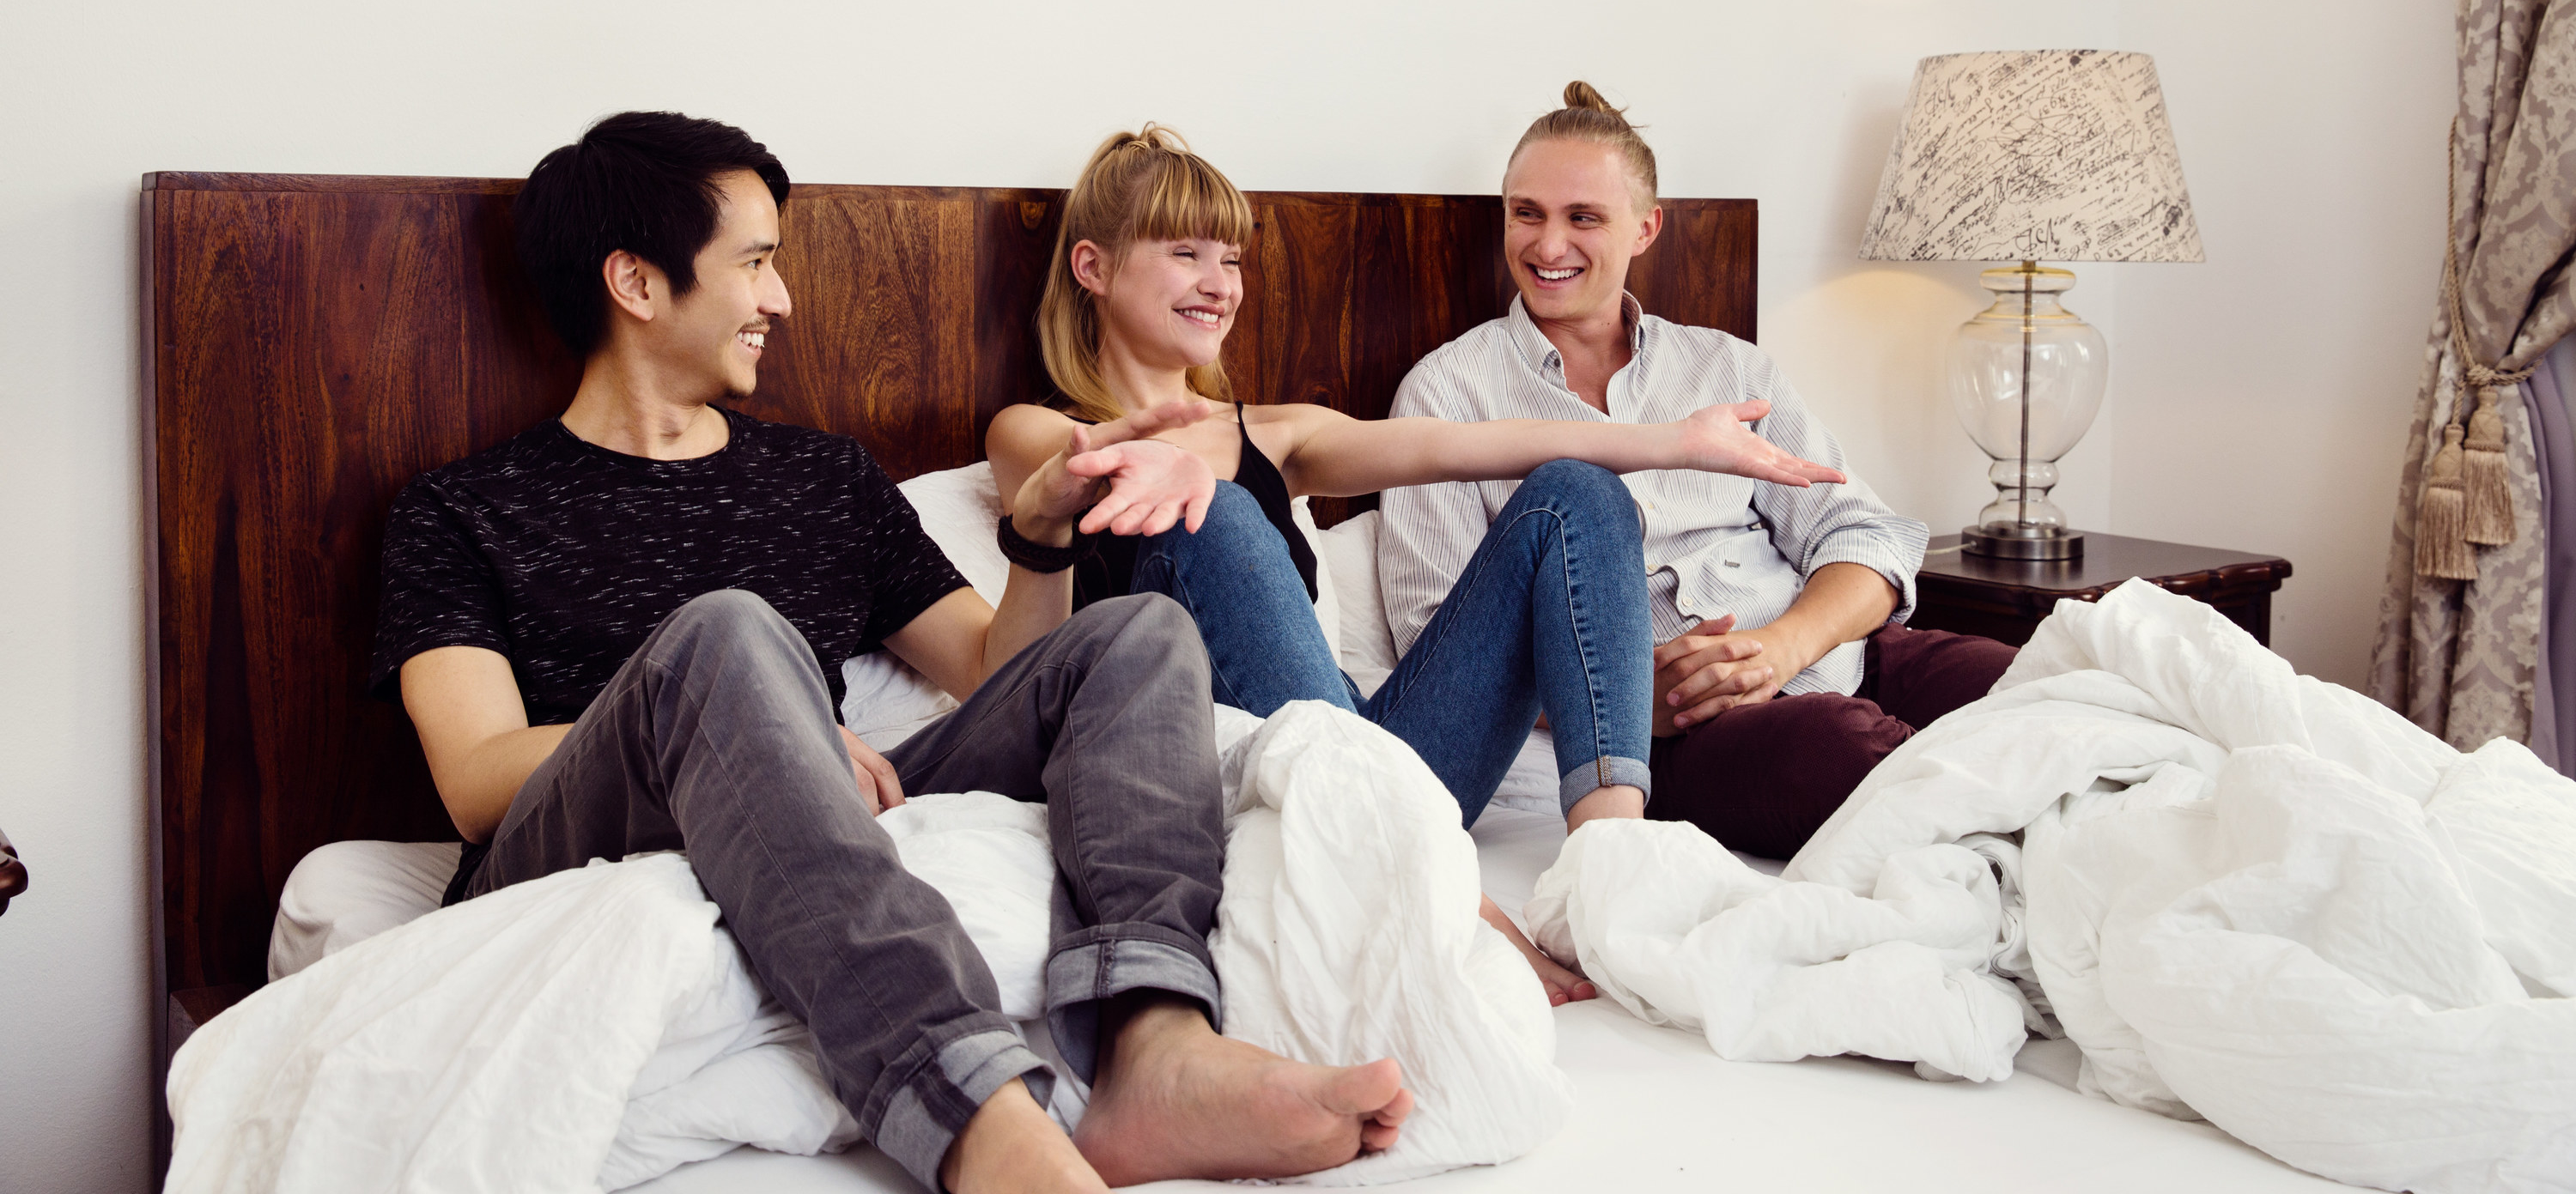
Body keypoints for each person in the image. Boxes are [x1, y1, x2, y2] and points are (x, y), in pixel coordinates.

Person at [369, 112, 1413, 1194]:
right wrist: (757, 716)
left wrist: (1041, 533)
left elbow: (998, 670)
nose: (781, 297)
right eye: (757, 263)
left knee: (1138, 635)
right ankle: (976, 1116)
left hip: (823, 799)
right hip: (588, 827)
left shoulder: (821, 479)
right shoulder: (466, 507)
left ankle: (1156, 1047)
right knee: (728, 635)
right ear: (636, 283)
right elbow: (476, 780)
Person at [987, 124, 1844, 1003]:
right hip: (1237, 780)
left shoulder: (1275, 431)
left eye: (1231, 258)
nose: (1220, 283)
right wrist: (1147, 462)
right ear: (1092, 268)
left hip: (1374, 755)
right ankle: (1456, 898)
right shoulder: (1032, 432)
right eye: (1185, 253)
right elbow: (1060, 477)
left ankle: (1607, 868)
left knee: (1576, 488)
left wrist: (1670, 439)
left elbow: (1460, 442)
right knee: (1219, 514)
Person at [1378, 82, 2019, 862]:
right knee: (1846, 751)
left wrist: (1783, 645)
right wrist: (1613, 699)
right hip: (1682, 726)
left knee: (2042, 682)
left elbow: (1863, 532)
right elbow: (1438, 639)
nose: (1548, 246)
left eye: (1583, 217)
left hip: (1829, 653)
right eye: (1527, 213)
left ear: (1646, 228)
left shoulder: (1727, 365)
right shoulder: (1446, 395)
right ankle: (2022, 833)